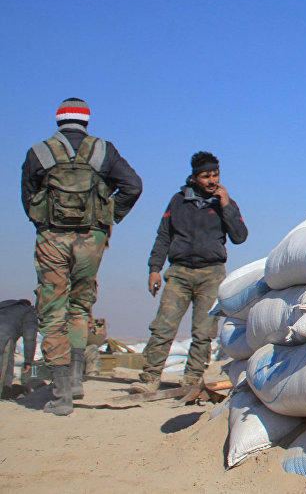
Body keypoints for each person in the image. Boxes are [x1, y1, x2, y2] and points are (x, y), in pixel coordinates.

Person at [21, 98, 142, 415]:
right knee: (79, 304)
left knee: (52, 309)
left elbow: (28, 198)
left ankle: (61, 394)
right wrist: (107, 217)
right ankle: (76, 380)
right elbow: (133, 185)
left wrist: (46, 226)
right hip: (91, 239)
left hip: (52, 238)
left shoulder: (39, 152)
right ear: (86, 121)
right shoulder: (103, 150)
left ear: (58, 120)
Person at [130, 152, 248, 394]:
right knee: (163, 327)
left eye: (215, 175)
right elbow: (163, 236)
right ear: (194, 178)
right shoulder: (178, 202)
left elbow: (240, 236)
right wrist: (154, 269)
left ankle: (192, 380)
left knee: (204, 332)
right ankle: (150, 377)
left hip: (211, 274)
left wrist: (226, 206)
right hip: (179, 273)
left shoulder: (225, 203)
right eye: (206, 176)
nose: (212, 181)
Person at [0, 299, 39, 398]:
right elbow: (29, 338)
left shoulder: (4, 308)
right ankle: (4, 393)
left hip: (4, 333)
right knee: (5, 365)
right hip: (4, 336)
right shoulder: (28, 312)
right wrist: (28, 361)